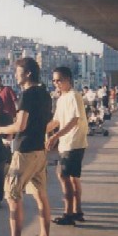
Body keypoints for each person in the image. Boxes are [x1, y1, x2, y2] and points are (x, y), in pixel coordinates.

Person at [0, 57, 53, 236]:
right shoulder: (45, 94)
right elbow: (43, 123)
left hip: (24, 152)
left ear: (27, 74)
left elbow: (21, 126)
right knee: (40, 195)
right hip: (39, 152)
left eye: (17, 72)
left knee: (12, 195)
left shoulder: (26, 95)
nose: (15, 75)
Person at [46, 66, 89, 226]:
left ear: (68, 80)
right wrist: (41, 130)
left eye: (59, 80)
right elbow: (57, 121)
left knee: (62, 176)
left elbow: (74, 120)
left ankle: (68, 214)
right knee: (72, 177)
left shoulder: (74, 95)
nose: (56, 83)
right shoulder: (61, 98)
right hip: (68, 143)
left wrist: (56, 136)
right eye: (54, 81)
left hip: (73, 142)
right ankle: (77, 211)